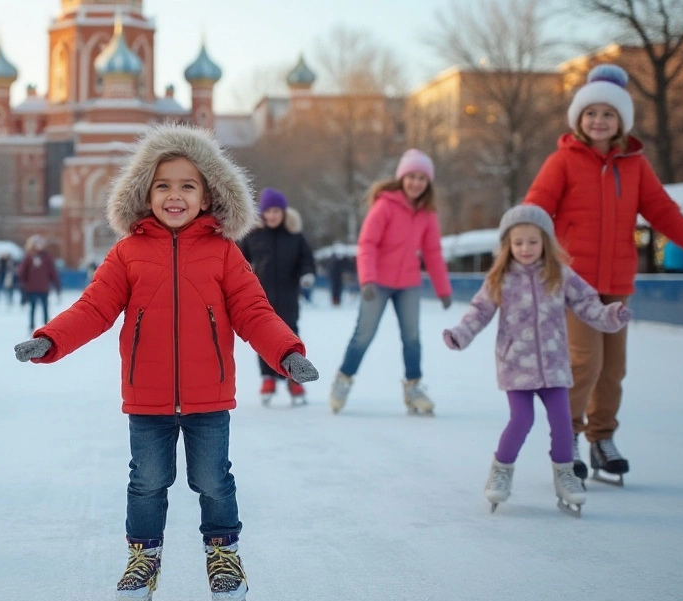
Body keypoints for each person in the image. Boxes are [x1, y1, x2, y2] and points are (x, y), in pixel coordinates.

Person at [12, 125, 319, 601]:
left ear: (208, 195)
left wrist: (285, 352)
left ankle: (223, 556)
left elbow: (254, 310)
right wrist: (52, 339)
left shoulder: (223, 252)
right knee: (148, 483)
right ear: (144, 193)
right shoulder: (128, 253)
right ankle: (143, 558)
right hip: (148, 396)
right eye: (163, 185)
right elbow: (94, 307)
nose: (174, 195)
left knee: (213, 481)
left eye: (187, 186)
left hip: (209, 397)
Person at [524, 64, 683, 484]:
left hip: (617, 284)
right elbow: (536, 207)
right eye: (591, 113)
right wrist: (527, 254)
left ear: (621, 122)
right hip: (575, 284)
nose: (598, 121)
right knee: (585, 363)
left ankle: (602, 439)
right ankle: (568, 438)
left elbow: (662, 210)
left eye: (608, 114)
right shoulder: (562, 161)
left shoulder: (634, 165)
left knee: (614, 369)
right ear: (579, 118)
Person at [442, 205, 631, 515]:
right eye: (518, 243)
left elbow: (587, 304)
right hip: (516, 365)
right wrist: (460, 335)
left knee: (562, 421)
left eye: (532, 241)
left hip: (555, 365)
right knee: (522, 419)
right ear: (507, 246)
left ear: (545, 241)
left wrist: (611, 315)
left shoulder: (560, 275)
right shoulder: (500, 278)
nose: (525, 248)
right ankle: (501, 471)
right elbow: (479, 312)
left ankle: (565, 476)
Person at [328, 149, 453, 416]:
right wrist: (368, 279)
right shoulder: (385, 205)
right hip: (378, 283)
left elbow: (432, 252)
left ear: (428, 182)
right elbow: (367, 244)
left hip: (408, 282)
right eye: (412, 177)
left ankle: (413, 388)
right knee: (364, 334)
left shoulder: (427, 214)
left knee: (412, 337)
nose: (416, 183)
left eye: (422, 178)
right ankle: (343, 380)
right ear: (402, 178)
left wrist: (443, 289)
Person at [239, 187, 315, 406]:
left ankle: (293, 378)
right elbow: (239, 260)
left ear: (283, 213)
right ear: (262, 213)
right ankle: (268, 377)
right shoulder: (254, 236)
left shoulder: (294, 237)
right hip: (261, 297)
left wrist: (307, 274)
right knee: (264, 336)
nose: (272, 215)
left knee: (290, 333)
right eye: (268, 211)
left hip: (288, 296)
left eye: (276, 211)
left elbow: (306, 260)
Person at [18, 235, 59, 334]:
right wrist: (23, 283)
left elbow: (52, 271)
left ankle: (46, 326)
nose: (39, 245)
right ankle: (31, 326)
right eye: (37, 243)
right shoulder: (29, 256)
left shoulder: (46, 256)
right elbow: (22, 271)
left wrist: (56, 283)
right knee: (32, 307)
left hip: (44, 287)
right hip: (32, 288)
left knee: (45, 307)